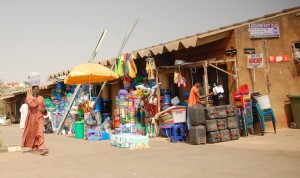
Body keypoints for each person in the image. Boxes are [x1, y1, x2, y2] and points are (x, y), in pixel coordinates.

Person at [22, 86, 49, 155]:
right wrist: (34, 96)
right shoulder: (29, 98)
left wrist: (44, 110)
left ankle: (41, 148)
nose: (38, 91)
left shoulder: (41, 98)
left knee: (40, 132)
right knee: (33, 133)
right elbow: (33, 105)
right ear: (33, 90)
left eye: (38, 89)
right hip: (32, 118)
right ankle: (34, 147)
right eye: (36, 89)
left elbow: (43, 106)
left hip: (40, 117)